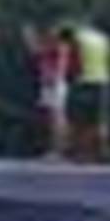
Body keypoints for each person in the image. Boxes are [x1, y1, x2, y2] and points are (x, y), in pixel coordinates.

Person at [62, 23, 110, 163]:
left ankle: (79, 152)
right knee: (99, 120)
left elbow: (74, 62)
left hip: (82, 82)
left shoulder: (77, 41)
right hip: (102, 81)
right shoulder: (103, 39)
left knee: (78, 120)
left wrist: (68, 78)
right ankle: (102, 151)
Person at [25, 24, 72, 159]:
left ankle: (60, 150)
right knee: (50, 117)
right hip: (49, 83)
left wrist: (30, 35)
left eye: (55, 32)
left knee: (57, 116)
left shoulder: (60, 47)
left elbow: (37, 51)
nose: (52, 33)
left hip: (55, 83)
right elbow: (36, 52)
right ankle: (54, 149)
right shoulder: (52, 48)